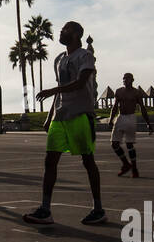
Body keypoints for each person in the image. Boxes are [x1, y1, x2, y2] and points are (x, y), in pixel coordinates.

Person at [23, 22, 106, 225]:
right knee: (50, 161)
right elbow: (61, 88)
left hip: (80, 115)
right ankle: (45, 209)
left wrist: (52, 91)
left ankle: (98, 208)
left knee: (88, 162)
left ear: (77, 33)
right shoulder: (60, 59)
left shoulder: (85, 56)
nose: (61, 31)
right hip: (60, 117)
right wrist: (49, 116)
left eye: (66, 29)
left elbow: (80, 82)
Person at [110, 71, 153, 177]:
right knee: (114, 144)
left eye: (128, 78)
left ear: (132, 80)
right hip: (120, 118)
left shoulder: (136, 93)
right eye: (124, 78)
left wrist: (148, 123)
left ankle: (134, 168)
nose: (125, 80)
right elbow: (115, 106)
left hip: (130, 118)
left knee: (129, 144)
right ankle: (125, 163)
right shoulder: (119, 91)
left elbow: (142, 108)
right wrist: (111, 119)